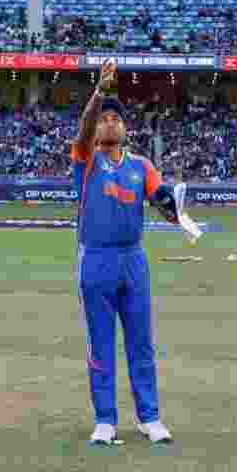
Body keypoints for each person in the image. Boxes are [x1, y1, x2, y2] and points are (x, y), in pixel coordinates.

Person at [71, 59, 179, 445]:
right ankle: (105, 419)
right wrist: (100, 93)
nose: (110, 123)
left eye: (116, 119)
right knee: (100, 343)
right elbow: (83, 130)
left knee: (141, 343)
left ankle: (149, 417)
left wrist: (172, 210)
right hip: (96, 259)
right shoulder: (85, 160)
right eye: (104, 119)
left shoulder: (142, 166)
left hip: (133, 259)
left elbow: (164, 207)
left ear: (126, 128)